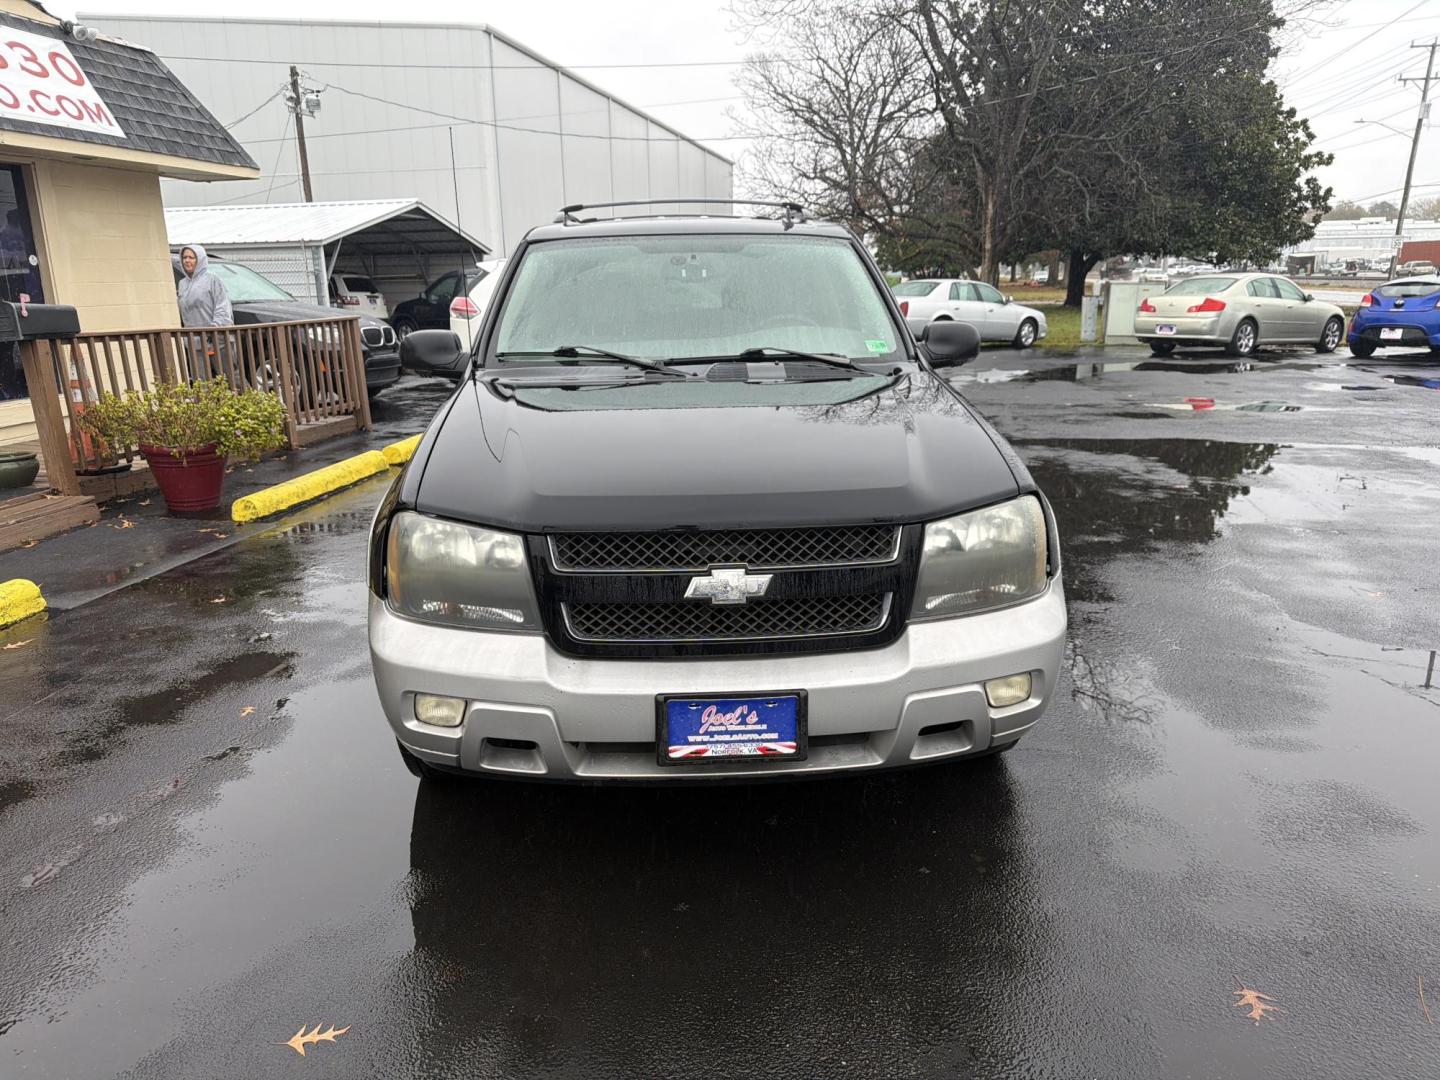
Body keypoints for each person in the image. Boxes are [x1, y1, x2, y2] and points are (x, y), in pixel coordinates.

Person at [173, 244, 232, 328]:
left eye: (191, 257)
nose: (186, 260)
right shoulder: (182, 284)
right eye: (184, 257)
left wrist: (215, 327)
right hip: (191, 336)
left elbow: (222, 307)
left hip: (213, 335)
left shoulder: (212, 279)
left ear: (200, 260)